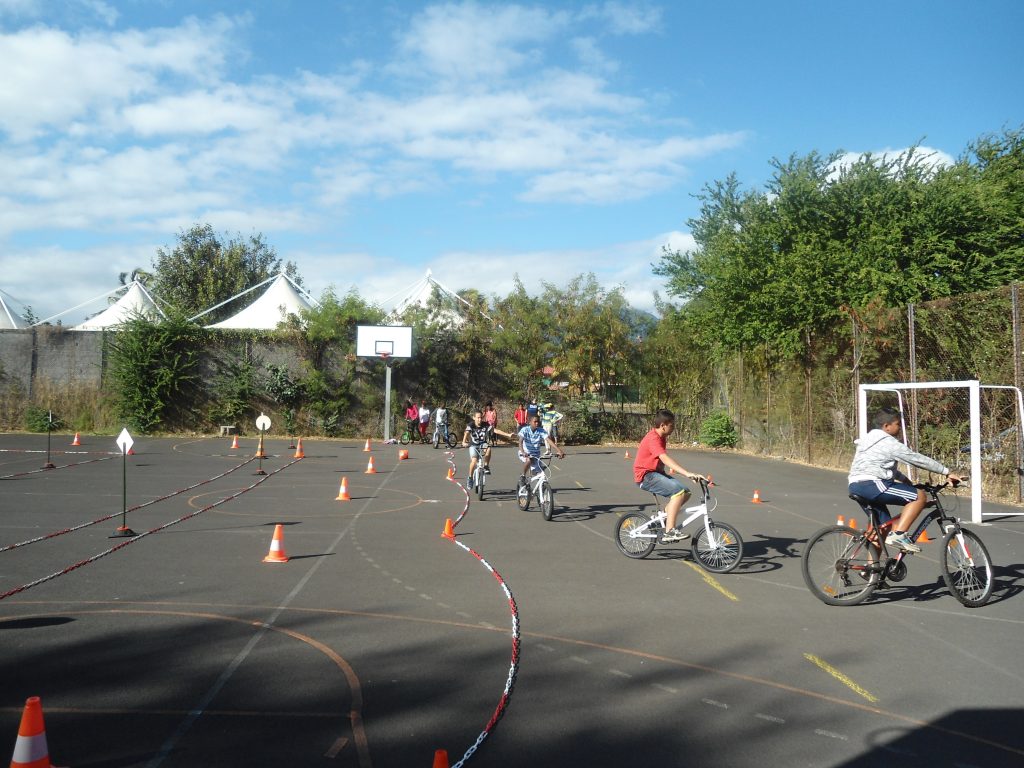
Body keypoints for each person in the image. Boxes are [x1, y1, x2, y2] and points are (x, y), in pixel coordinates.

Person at [848, 406, 962, 553]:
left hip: (856, 485)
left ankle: (872, 566)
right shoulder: (888, 443)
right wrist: (946, 472)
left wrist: (907, 482)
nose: (900, 428)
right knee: (920, 497)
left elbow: (885, 468)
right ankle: (899, 535)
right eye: (897, 424)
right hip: (873, 484)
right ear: (887, 426)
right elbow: (916, 459)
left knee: (883, 529)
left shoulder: (867, 440)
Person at [633, 409, 706, 543]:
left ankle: (664, 520)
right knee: (678, 493)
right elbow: (665, 458)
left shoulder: (662, 437)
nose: (673, 428)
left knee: (686, 492)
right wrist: (687, 473)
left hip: (656, 473)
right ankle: (669, 531)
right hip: (646, 476)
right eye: (671, 425)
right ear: (663, 425)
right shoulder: (653, 438)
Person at [518, 414, 564, 480]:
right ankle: (522, 476)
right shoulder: (525, 430)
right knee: (528, 461)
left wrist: (559, 450)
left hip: (536, 455)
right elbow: (520, 442)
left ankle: (540, 484)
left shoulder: (541, 430)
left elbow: (549, 441)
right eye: (535, 422)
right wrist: (523, 452)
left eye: (538, 422)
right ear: (529, 422)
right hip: (525, 453)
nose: (537, 423)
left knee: (540, 474)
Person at [461, 410, 492, 487]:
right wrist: (464, 442)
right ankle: (470, 478)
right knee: (474, 461)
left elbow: (495, 430)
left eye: (481, 417)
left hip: (482, 444)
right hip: (473, 445)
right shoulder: (471, 425)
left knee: (488, 448)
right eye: (478, 418)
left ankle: (486, 466)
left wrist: (508, 435)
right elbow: (466, 433)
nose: (480, 419)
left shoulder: (485, 424)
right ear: (474, 417)